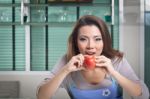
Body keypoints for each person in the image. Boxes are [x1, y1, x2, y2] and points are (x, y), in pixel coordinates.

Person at [37, 15, 149, 99]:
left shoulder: (115, 60)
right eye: (83, 39)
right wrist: (65, 70)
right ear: (76, 42)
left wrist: (114, 73)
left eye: (97, 39)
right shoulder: (68, 61)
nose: (91, 46)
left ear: (104, 41)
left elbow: (144, 95)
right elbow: (41, 96)